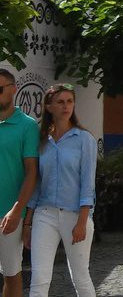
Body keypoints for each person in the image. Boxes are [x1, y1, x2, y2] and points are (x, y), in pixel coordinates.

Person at [26, 83, 97, 297]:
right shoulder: (41, 141)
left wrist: (82, 221)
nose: (66, 106)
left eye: (69, 101)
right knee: (39, 277)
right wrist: (28, 221)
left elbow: (88, 183)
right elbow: (37, 183)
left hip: (75, 215)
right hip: (44, 214)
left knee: (80, 276)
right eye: (60, 102)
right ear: (48, 107)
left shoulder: (84, 140)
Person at [0, 69, 38, 297]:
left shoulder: (27, 125)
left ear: (14, 89)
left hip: (9, 213)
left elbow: (32, 172)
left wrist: (17, 211)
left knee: (11, 274)